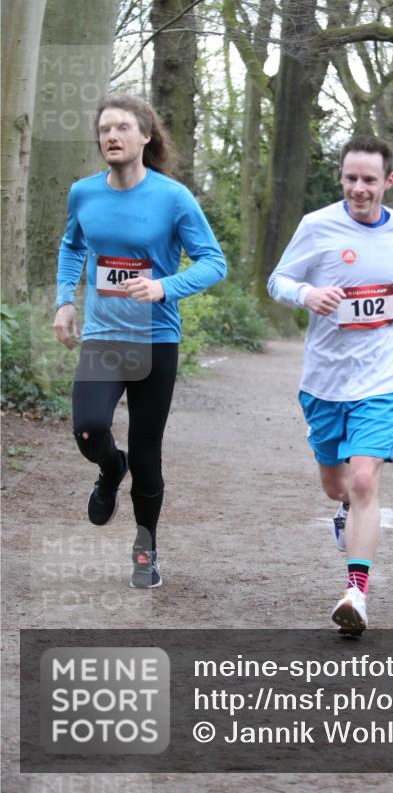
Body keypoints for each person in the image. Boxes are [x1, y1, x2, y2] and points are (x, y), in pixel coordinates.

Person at [268, 136, 393, 633]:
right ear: (341, 177)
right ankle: (345, 509)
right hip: (325, 379)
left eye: (369, 179)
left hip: (382, 377)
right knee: (337, 486)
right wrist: (307, 293)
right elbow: (278, 280)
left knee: (365, 479)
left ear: (389, 181)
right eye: (350, 178)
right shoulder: (317, 226)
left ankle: (356, 594)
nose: (359, 189)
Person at [53, 95, 226, 589]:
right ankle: (111, 469)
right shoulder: (84, 193)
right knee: (89, 430)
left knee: (148, 455)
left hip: (155, 339)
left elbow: (213, 262)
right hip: (104, 337)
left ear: (146, 135)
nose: (111, 135)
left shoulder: (173, 197)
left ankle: (146, 549)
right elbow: (72, 247)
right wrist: (65, 301)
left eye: (122, 127)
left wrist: (164, 287)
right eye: (104, 128)